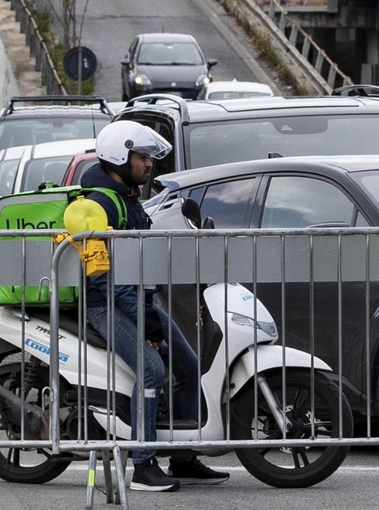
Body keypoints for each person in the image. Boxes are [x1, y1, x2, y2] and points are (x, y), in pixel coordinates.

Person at [81, 120, 228, 492]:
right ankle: (144, 464)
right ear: (119, 156)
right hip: (106, 304)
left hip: (138, 301)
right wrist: (145, 322)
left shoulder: (127, 197)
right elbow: (105, 278)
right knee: (151, 370)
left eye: (149, 157)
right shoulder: (100, 204)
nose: (149, 164)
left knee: (189, 367)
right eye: (142, 157)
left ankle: (182, 457)